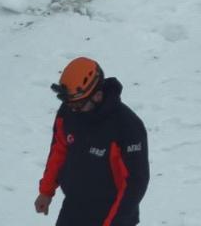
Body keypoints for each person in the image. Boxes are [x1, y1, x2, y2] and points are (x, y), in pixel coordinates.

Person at [35, 57, 149, 226]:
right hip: (74, 208)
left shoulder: (127, 127)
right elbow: (59, 151)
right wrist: (46, 191)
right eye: (69, 103)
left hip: (114, 214)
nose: (72, 109)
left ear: (97, 95)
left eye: (78, 104)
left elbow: (134, 185)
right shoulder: (69, 113)